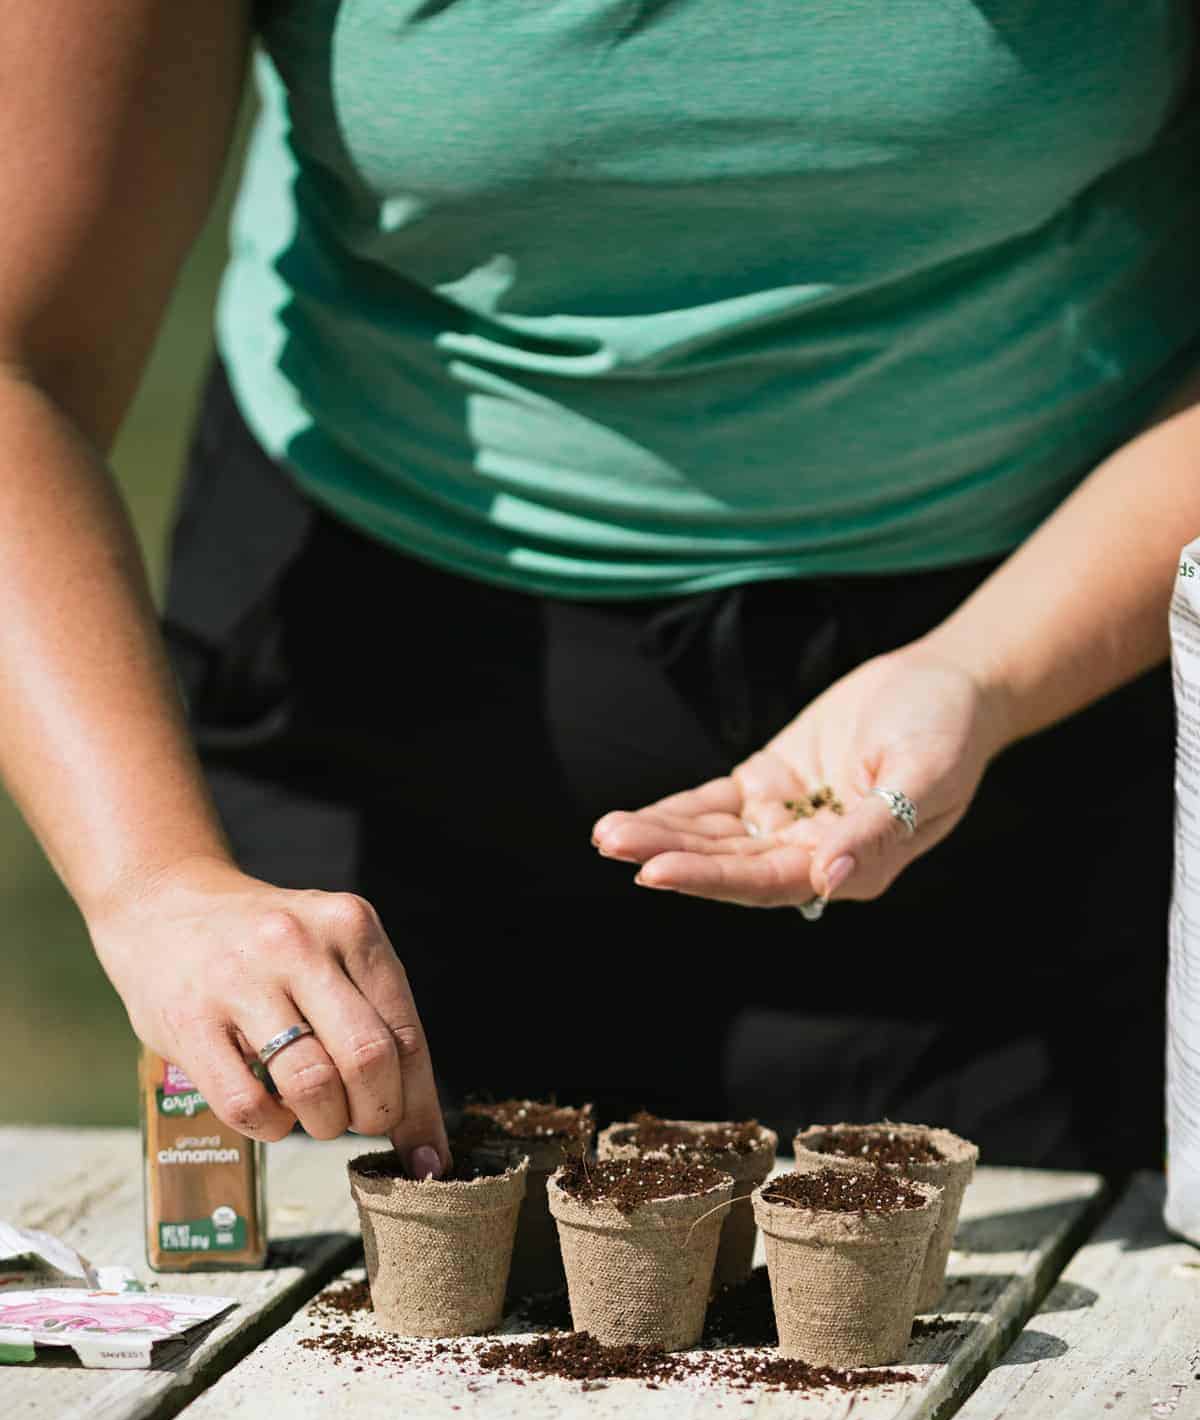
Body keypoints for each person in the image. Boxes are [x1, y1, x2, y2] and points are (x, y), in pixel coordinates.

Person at [1, 4, 1197, 1182]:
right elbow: (15, 369)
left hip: (1043, 679)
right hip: (370, 677)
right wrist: (157, 885)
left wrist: (982, 672)